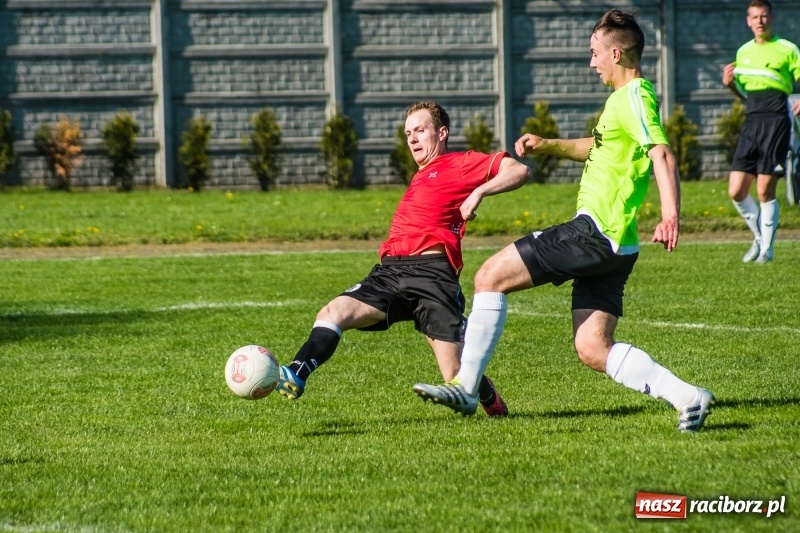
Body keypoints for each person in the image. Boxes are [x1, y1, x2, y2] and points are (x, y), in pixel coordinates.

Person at [412, 9, 715, 432]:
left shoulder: (634, 97)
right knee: (593, 347)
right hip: (617, 246)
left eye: (594, 54)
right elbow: (599, 144)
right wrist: (549, 144)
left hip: (594, 232)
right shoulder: (622, 103)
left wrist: (671, 215)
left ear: (615, 52)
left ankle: (466, 385)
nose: (591, 63)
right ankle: (688, 397)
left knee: (489, 277)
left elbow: (661, 153)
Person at [275, 100, 531, 417]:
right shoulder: (421, 175)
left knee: (455, 374)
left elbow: (518, 170)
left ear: (442, 133)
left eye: (420, 130)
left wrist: (479, 192)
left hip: (432, 277)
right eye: (408, 132)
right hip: (390, 273)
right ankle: (296, 372)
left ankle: (488, 396)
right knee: (334, 311)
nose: (411, 138)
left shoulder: (460, 163)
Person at [722, 0, 800, 263]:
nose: (759, 21)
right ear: (748, 20)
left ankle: (767, 251)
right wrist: (730, 86)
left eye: (764, 16)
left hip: (777, 120)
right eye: (754, 17)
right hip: (751, 121)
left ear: (772, 17)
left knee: (765, 190)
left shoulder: (788, 49)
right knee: (736, 190)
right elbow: (744, 95)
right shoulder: (743, 52)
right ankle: (759, 239)